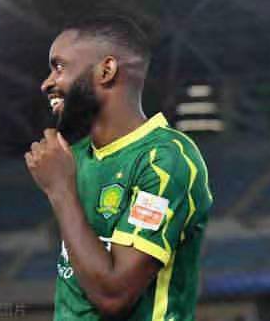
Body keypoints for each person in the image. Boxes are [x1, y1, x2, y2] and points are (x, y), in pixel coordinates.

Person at [25, 16, 213, 320]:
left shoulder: (165, 160)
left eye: (59, 67)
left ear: (106, 70)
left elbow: (113, 296)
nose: (46, 83)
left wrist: (60, 190)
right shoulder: (74, 158)